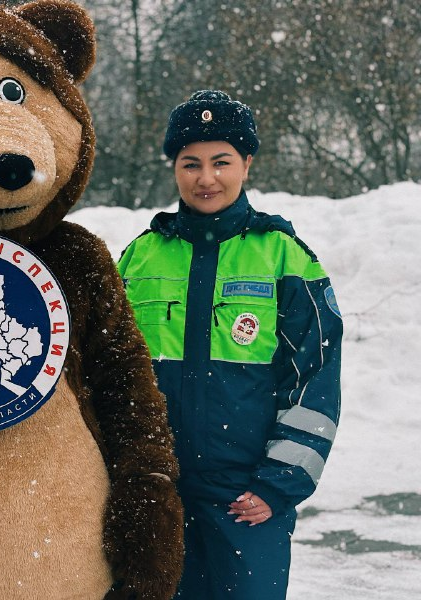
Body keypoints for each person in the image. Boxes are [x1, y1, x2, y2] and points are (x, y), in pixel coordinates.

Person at [118, 90, 343, 599]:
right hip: (157, 492)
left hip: (245, 497)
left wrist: (277, 484)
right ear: (174, 169)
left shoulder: (286, 258)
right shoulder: (139, 258)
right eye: (190, 163)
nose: (206, 178)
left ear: (246, 164)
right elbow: (106, 371)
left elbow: (315, 380)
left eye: (221, 162)